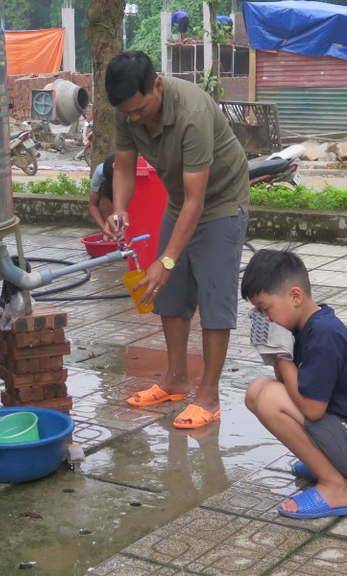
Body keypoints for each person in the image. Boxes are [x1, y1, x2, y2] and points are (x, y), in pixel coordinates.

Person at [104, 50, 249, 429]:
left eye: (140, 110)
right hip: (179, 202)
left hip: (221, 199)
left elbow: (197, 200)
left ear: (156, 84)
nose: (135, 118)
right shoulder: (127, 110)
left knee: (214, 295)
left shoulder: (192, 114)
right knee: (169, 293)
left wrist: (166, 259)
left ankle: (209, 394)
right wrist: (120, 210)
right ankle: (175, 379)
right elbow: (123, 167)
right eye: (128, 113)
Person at [239, 249, 347, 519]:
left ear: (295, 296)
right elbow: (291, 386)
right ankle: (328, 467)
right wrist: (277, 353)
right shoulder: (306, 326)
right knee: (257, 391)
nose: (265, 318)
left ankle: (335, 486)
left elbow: (311, 409)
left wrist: (280, 354)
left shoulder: (323, 334)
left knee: (268, 399)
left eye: (266, 309)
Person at [88, 155, 116, 239]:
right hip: (109, 193)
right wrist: (104, 229)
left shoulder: (135, 170)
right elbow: (93, 205)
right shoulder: (100, 172)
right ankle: (111, 230)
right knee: (104, 189)